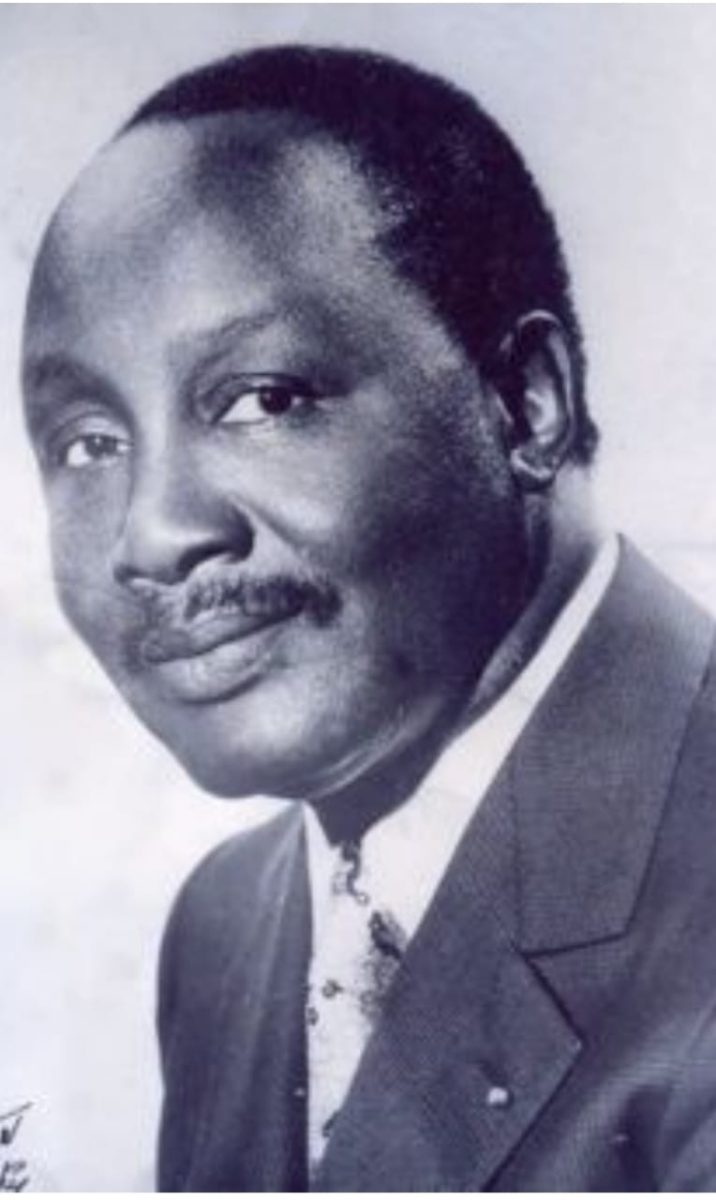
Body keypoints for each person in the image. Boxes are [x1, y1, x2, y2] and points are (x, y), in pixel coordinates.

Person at [20, 44, 716, 1192]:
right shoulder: (227, 925)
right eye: (87, 444)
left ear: (523, 404)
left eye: (262, 399)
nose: (151, 534)